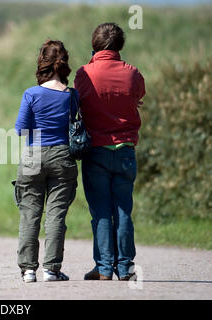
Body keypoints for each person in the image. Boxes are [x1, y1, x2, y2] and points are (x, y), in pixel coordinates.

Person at [74, 23, 146, 281]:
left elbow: (78, 103)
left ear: (95, 44)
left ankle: (104, 267)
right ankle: (125, 268)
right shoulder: (132, 74)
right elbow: (138, 96)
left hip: (96, 151)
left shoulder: (84, 74)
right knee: (123, 210)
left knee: (101, 211)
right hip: (125, 150)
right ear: (120, 45)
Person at [14, 40, 78, 283]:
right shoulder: (72, 96)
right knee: (56, 215)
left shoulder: (31, 94)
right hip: (63, 155)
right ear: (64, 64)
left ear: (42, 62)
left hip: (33, 155)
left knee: (30, 214)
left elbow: (21, 130)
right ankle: (51, 269)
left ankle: (28, 270)